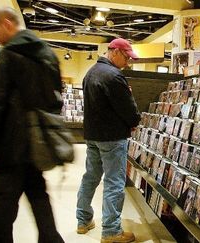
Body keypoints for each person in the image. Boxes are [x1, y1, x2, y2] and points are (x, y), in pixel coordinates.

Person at [0, 8, 64, 243]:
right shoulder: (47, 54)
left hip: (8, 148)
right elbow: (57, 99)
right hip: (38, 146)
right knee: (39, 198)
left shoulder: (7, 57)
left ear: (7, 23)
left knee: (0, 212)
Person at [76, 38, 140, 243]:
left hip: (93, 136)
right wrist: (135, 120)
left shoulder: (90, 72)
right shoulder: (114, 76)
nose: (128, 62)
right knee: (114, 182)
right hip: (113, 137)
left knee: (90, 177)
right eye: (127, 57)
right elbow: (128, 110)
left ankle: (83, 220)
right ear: (115, 52)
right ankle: (111, 231)